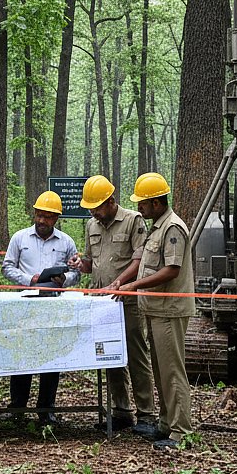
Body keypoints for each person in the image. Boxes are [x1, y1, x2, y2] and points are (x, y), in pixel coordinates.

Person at [69, 174, 159, 433]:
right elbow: (91, 263)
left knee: (135, 354)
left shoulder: (133, 221)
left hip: (127, 301)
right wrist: (79, 264)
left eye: (97, 207)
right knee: (108, 355)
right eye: (91, 209)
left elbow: (140, 260)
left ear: (110, 201)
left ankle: (146, 414)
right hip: (101, 302)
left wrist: (119, 283)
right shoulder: (91, 226)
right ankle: (121, 411)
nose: (94, 213)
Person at [118, 172, 195, 450]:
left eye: (143, 203)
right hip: (155, 309)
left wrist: (134, 286)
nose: (139, 207)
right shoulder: (157, 227)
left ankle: (180, 431)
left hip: (169, 310)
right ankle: (165, 424)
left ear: (157, 203)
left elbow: (170, 270)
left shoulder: (173, 228)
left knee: (173, 372)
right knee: (161, 372)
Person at [1, 191, 81, 426]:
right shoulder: (19, 238)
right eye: (39, 215)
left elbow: (77, 272)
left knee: (51, 357)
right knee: (22, 356)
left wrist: (64, 280)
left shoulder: (66, 242)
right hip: (25, 304)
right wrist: (30, 279)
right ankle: (17, 408)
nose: (42, 220)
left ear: (56, 218)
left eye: (48, 217)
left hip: (54, 306)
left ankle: (46, 409)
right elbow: (7, 267)